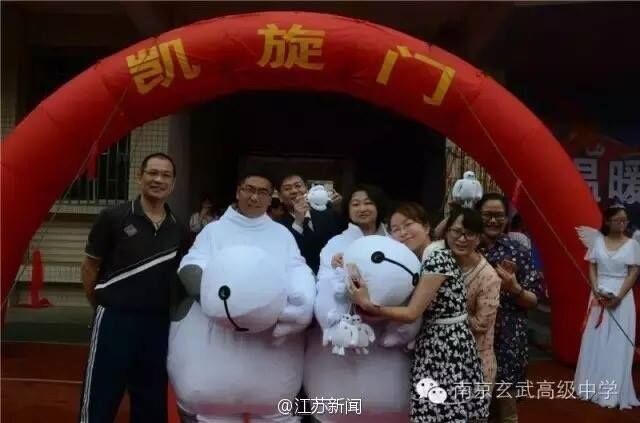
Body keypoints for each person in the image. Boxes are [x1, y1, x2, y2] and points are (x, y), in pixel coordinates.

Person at [168, 170, 316, 422]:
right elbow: (192, 266)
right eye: (249, 189)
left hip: (270, 347)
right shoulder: (214, 231)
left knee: (273, 409)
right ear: (238, 191)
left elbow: (296, 269)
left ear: (272, 198)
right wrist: (218, 302)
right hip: (216, 346)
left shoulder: (281, 235)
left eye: (262, 192)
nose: (254, 197)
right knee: (213, 411)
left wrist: (302, 302)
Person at [349, 207, 490, 423]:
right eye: (395, 229)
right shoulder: (425, 257)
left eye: (408, 225)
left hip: (445, 348)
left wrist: (369, 305)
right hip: (445, 343)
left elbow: (411, 312)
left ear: (426, 227)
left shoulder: (436, 258)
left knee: (440, 412)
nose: (402, 233)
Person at [79, 152, 189, 423]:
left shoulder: (180, 229)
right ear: (139, 177)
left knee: (151, 404)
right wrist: (104, 307)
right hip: (114, 321)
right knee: (99, 400)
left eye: (165, 175)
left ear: (173, 184)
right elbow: (90, 267)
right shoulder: (113, 218)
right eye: (152, 173)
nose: (158, 179)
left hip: (158, 325)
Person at [304, 185, 417, 423]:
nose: (362, 208)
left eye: (368, 203)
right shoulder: (336, 244)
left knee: (389, 401)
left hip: (389, 336)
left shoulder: (397, 241)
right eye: (355, 204)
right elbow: (323, 284)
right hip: (348, 338)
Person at [475, 193, 543, 423]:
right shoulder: (465, 249)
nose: (493, 221)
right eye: (487, 215)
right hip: (473, 332)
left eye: (499, 216)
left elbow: (534, 300)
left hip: (508, 336)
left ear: (506, 219)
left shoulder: (518, 251)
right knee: (472, 401)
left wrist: (515, 288)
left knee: (506, 406)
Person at [574, 204, 640, 409]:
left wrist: (619, 296)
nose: (622, 224)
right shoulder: (599, 241)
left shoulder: (632, 244)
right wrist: (595, 288)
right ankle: (590, 385)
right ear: (608, 221)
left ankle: (612, 391)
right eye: (617, 220)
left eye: (625, 221)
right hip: (598, 293)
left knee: (617, 343)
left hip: (622, 296)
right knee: (595, 338)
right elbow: (592, 265)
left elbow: (634, 272)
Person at [277, 174, 344, 274]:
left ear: (307, 190)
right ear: (280, 197)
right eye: (287, 188)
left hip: (331, 275)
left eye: (298, 186)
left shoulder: (328, 213)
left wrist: (341, 207)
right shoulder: (278, 227)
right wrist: (298, 222)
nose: (294, 191)